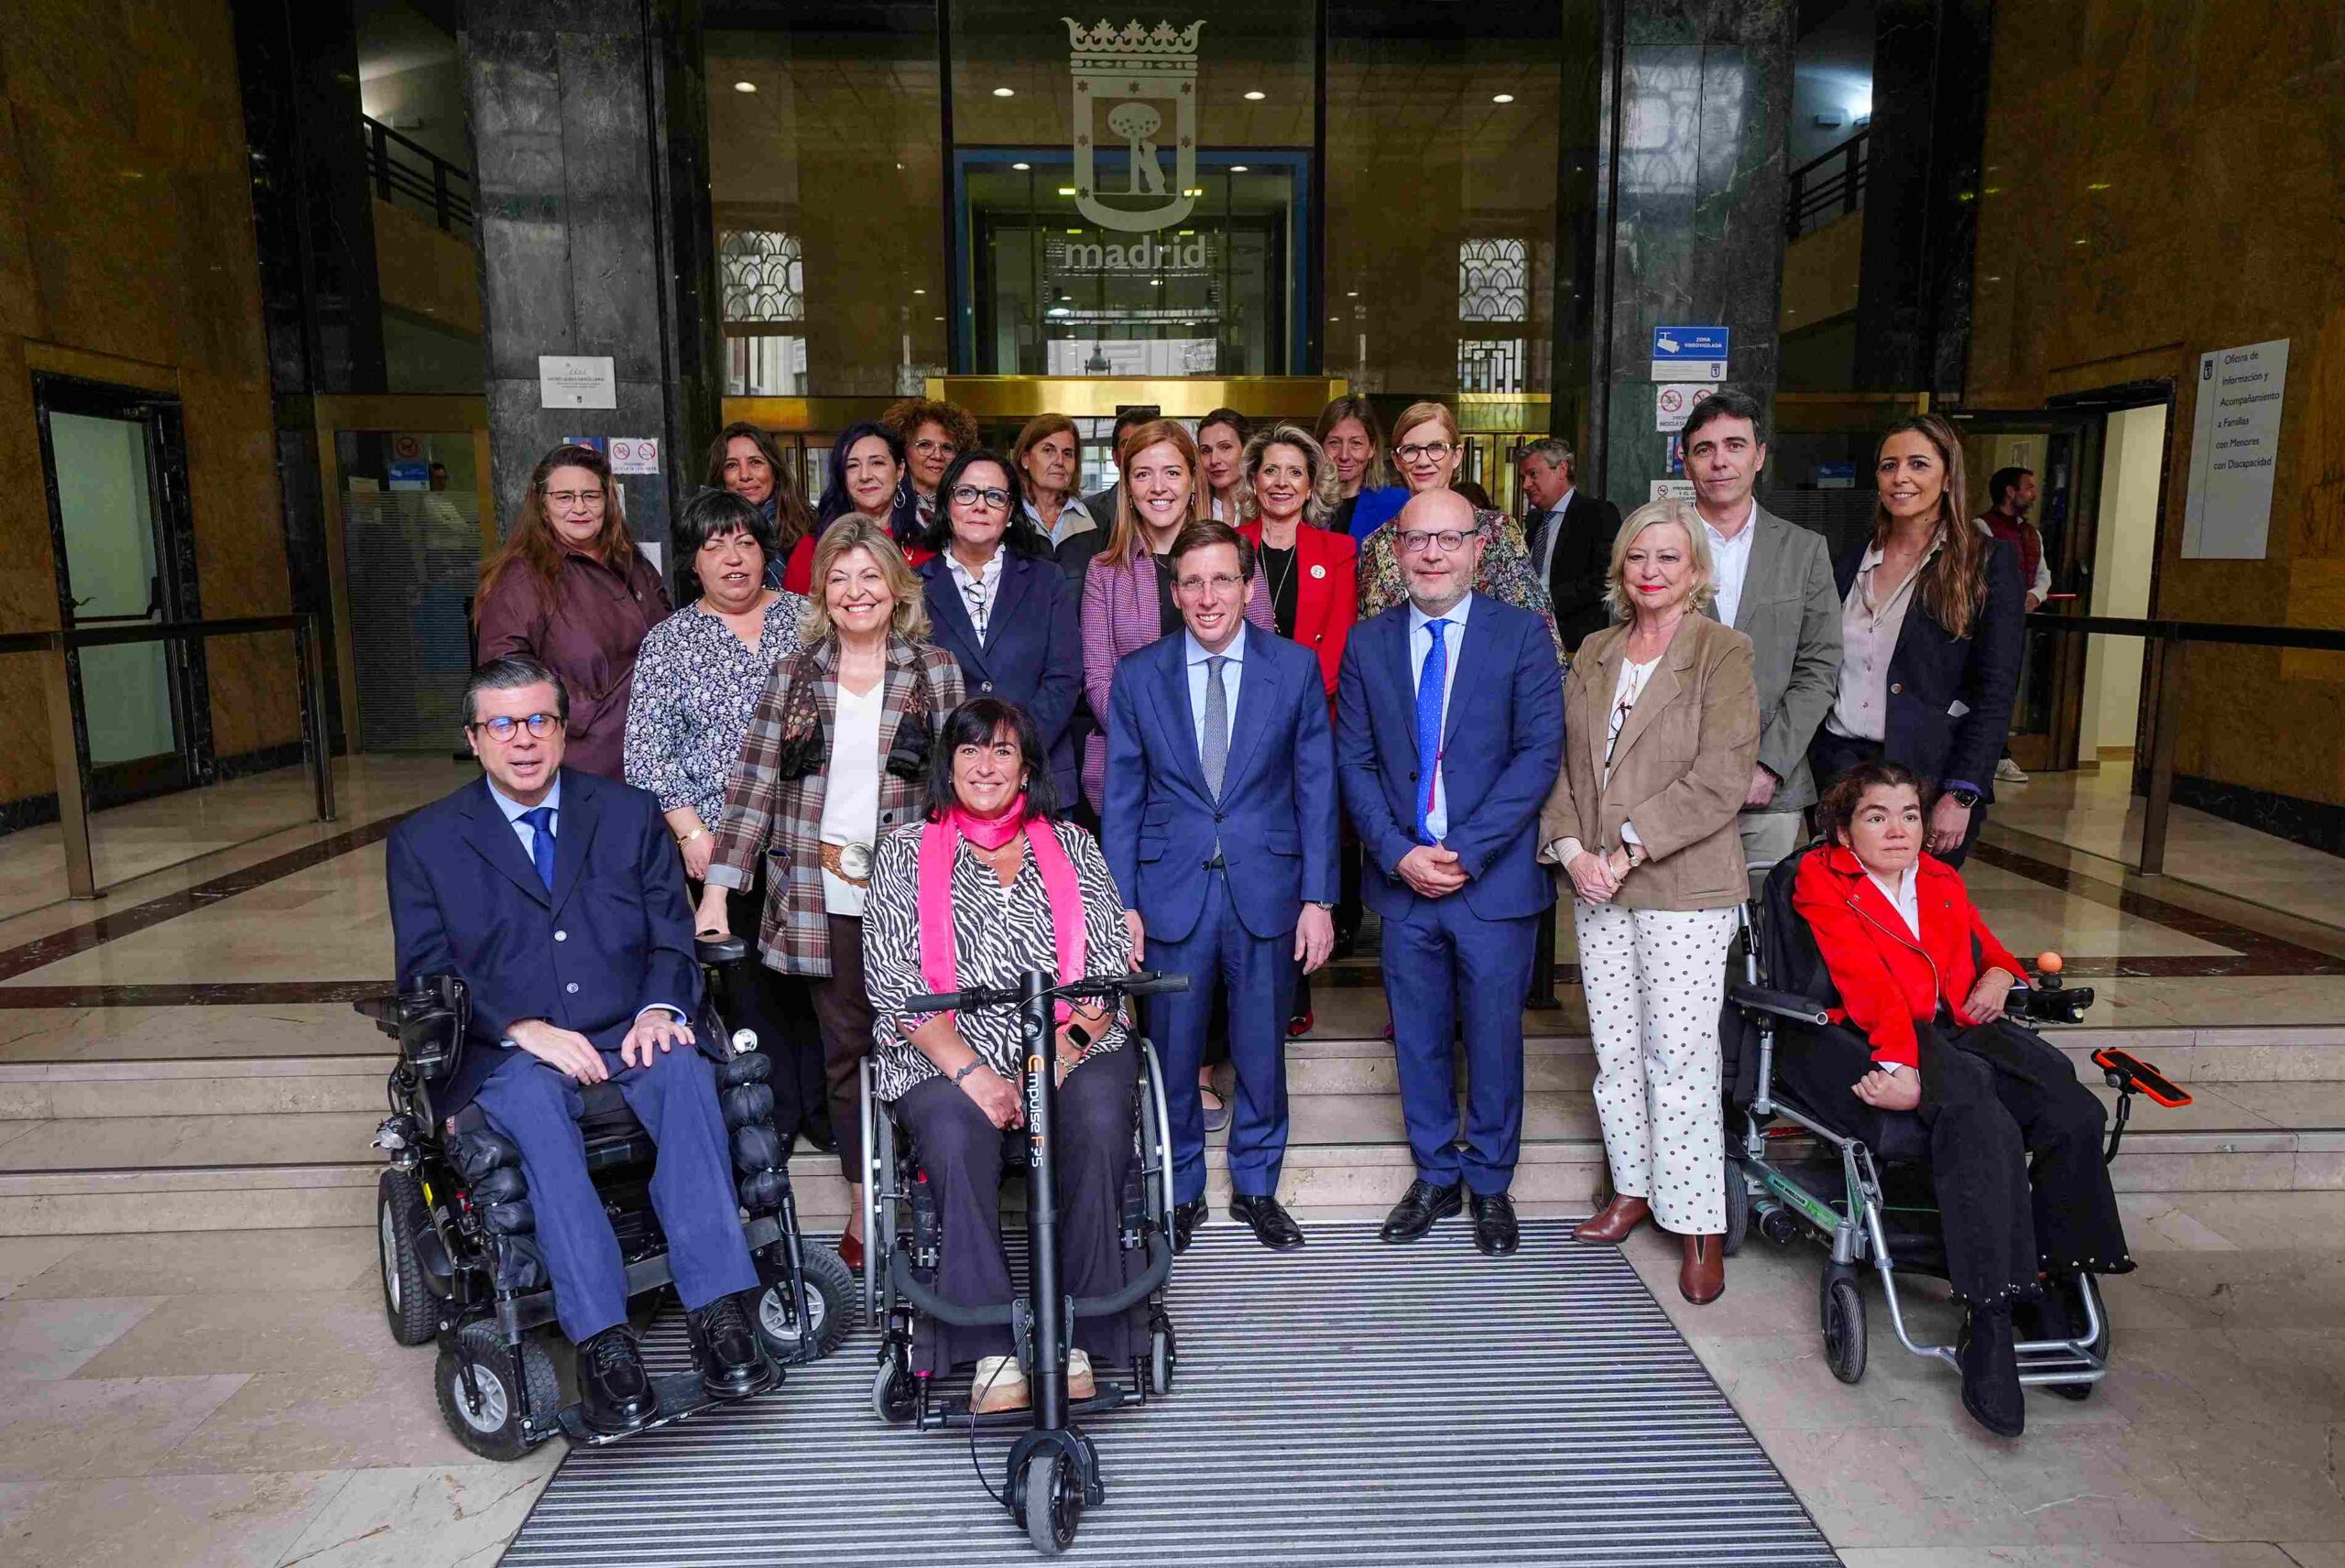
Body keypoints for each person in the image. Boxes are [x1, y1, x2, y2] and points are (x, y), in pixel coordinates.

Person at [387, 656, 773, 1434]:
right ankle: (603, 1341)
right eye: (502, 724)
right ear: (474, 738)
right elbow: (427, 972)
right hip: (511, 1049)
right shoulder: (425, 840)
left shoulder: (627, 814)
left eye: (540, 720)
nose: (523, 740)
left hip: (630, 1025)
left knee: (686, 1074)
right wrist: (517, 1027)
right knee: (533, 1109)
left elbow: (671, 933)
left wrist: (659, 1009)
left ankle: (717, 1312)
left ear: (564, 731)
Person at [1791, 759, 2132, 1437]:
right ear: (1844, 829)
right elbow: (1865, 983)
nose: (1898, 830)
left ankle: (2056, 1279)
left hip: (1964, 1026)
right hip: (1886, 1031)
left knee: (2073, 1110)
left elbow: (1990, 951)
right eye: (1877, 817)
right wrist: (1901, 1065)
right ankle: (1991, 1315)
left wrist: (2000, 975)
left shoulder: (1941, 879)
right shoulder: (1821, 880)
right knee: (1981, 1119)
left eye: (1910, 815)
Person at [697, 520, 965, 1271]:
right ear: (822, 595)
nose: (855, 592)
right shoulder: (794, 674)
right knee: (846, 1054)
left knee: (925, 1042)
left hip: (915, 899)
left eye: (869, 576)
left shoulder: (935, 671)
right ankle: (862, 1204)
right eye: (840, 580)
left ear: (896, 589)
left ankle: (933, 1192)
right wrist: (718, 892)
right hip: (821, 898)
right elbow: (752, 786)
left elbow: (963, 789)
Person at [862, 698, 1141, 1412]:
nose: (986, 766)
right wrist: (978, 1076)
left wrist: (1049, 1066)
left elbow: (1106, 971)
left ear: (1026, 769)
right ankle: (988, 1345)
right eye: (970, 751)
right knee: (954, 1137)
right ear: (948, 765)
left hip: (1071, 1046)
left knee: (1100, 1121)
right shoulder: (902, 851)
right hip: (941, 1053)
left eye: (1003, 751)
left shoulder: (1073, 845)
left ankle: (1085, 1331)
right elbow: (892, 982)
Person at [1537, 500, 1759, 1306]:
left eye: (1669, 557)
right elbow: (1562, 766)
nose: (1652, 571)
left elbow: (1722, 777)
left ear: (1695, 569)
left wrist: (1625, 851)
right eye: (1638, 556)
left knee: (1682, 1058)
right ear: (1620, 568)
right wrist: (1572, 853)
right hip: (1598, 884)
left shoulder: (1722, 651)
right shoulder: (1595, 651)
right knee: (1617, 1053)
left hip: (1682, 887)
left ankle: (1698, 1223)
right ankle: (1632, 1189)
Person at [1336, 488, 1565, 1258]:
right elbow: (1354, 762)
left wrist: (1466, 851)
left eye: (1449, 539)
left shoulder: (1522, 635)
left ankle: (1491, 1182)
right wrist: (1397, 853)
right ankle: (1436, 1174)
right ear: (1396, 551)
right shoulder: (1367, 644)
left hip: (1491, 883)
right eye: (1417, 540)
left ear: (1478, 548)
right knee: (1421, 1039)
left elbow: (1538, 755)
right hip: (1404, 883)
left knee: (1495, 1039)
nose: (1432, 553)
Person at [1102, 520, 1339, 1255]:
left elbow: (1317, 789)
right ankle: (1178, 1192)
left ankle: (1257, 1188)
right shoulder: (1139, 675)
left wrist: (1319, 898)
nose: (1208, 597)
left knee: (1262, 1050)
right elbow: (1122, 798)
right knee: (1173, 1054)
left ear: (1247, 586)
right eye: (1193, 582)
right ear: (1175, 593)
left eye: (1223, 580)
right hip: (1169, 893)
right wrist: (1122, 905)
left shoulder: (1293, 668)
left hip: (1267, 887)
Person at [622, 489, 823, 1151]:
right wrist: (690, 833)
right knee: (749, 985)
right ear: (693, 562)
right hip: (717, 844)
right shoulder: (669, 641)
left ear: (765, 551)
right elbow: (649, 751)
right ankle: (769, 1113)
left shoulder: (808, 619)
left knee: (815, 978)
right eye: (715, 547)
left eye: (745, 543)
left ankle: (824, 1108)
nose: (733, 559)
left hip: (810, 837)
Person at [1813, 413, 2023, 867]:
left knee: (1917, 906)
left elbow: (1996, 690)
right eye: (1889, 466)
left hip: (1929, 775)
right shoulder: (1851, 557)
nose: (1900, 477)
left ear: (1948, 478)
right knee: (1842, 904)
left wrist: (1962, 793)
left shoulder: (1986, 562)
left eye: (1918, 464)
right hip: (1841, 766)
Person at [1675, 390, 1843, 887]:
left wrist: (1769, 765)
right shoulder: (1656, 544)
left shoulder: (1804, 550)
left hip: (1770, 787)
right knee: (1677, 922)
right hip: (1672, 783)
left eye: (1735, 445)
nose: (1720, 461)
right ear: (1685, 461)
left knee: (1764, 921)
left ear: (1760, 455)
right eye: (1705, 448)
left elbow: (1819, 668)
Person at [1074, 417, 1274, 816]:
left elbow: (1262, 654)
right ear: (1128, 488)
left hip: (1227, 767)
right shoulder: (1104, 571)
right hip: (1133, 772)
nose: (1158, 487)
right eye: (1143, 474)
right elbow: (1098, 679)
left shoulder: (1234, 555)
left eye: (1171, 472)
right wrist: (1158, 746)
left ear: (1192, 481)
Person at [1236, 423, 1358, 1037]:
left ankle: (1296, 986)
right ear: (1253, 482)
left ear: (1311, 484)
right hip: (1238, 727)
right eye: (1270, 471)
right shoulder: (1230, 546)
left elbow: (1337, 643)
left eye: (1294, 472)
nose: (1282, 482)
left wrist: (1293, 703)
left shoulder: (1337, 551)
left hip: (1313, 724)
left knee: (1302, 853)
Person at [474, 441, 669, 780]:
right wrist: (588, 714)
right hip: (584, 759)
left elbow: (670, 634)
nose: (579, 507)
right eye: (564, 497)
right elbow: (505, 671)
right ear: (542, 506)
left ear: (608, 502)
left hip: (655, 747)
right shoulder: (522, 576)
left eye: (590, 496)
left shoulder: (633, 562)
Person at [916, 449, 1083, 810]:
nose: (980, 505)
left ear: (1010, 512)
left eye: (994, 496)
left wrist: (1014, 752)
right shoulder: (912, 586)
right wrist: (964, 760)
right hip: (947, 782)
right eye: (966, 493)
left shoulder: (1046, 579)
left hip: (1039, 775)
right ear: (947, 504)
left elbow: (1064, 678)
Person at [1356, 401, 1565, 664]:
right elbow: (1367, 647)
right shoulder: (1376, 544)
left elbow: (1540, 635)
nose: (1423, 460)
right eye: (1410, 450)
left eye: (1436, 448)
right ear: (1397, 460)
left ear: (1456, 455)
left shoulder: (1496, 532)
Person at [776, 422, 932, 593]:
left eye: (877, 463)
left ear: (900, 470)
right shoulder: (810, 551)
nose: (865, 476)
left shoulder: (927, 546)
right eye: (852, 466)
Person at [1977, 465, 2050, 785]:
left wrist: (2035, 596)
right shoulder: (1982, 527)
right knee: (1986, 688)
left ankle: (2000, 757)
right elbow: (1977, 574)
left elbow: (2043, 575)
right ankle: (1988, 756)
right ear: (2010, 491)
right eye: (2029, 487)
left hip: (2017, 625)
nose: (2034, 494)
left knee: (2008, 688)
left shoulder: (2033, 534)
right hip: (1987, 624)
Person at [1518, 436, 1622, 653]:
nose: (1525, 485)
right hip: (1530, 640)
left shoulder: (1597, 514)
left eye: (1533, 474)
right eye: (1523, 477)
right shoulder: (1535, 522)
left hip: (1576, 644)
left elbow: (1605, 577)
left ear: (1562, 469)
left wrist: (1545, 601)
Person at [704, 420, 816, 590]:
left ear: (774, 469)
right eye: (732, 465)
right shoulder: (705, 533)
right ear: (720, 476)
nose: (745, 475)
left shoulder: (811, 525)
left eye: (755, 462)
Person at [1067, 405, 1162, 562]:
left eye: (1148, 443)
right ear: (1116, 457)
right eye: (1127, 444)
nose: (1137, 451)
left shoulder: (1182, 508)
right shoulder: (1087, 513)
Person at [883, 396, 978, 532]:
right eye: (925, 445)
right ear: (903, 449)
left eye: (947, 448)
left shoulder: (970, 504)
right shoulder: (884, 505)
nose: (937, 456)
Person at [1315, 393, 1402, 540]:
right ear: (1320, 446)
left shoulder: (1396, 503)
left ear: (1371, 448)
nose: (1344, 455)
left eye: (1356, 443)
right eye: (1334, 443)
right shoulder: (1304, 503)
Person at [1013, 413, 1100, 550]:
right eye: (1048, 450)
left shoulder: (1097, 522)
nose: (1060, 461)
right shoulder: (1006, 519)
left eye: (1067, 454)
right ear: (1025, 459)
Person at [1196, 407, 1250, 522]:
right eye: (1206, 451)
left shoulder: (1267, 510)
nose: (1214, 460)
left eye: (1225, 447)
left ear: (1247, 450)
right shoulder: (1191, 514)